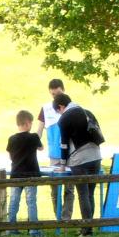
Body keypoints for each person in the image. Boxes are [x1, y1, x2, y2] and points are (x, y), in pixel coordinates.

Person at [52, 92, 103, 236]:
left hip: (80, 160)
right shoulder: (87, 112)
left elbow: (64, 145)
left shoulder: (64, 119)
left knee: (83, 194)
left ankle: (86, 231)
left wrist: (62, 164)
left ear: (61, 107)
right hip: (96, 156)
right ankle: (89, 227)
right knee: (90, 194)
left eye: (58, 111)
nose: (59, 114)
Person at [6, 110, 43, 236]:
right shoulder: (33, 137)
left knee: (14, 201)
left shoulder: (12, 139)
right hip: (31, 174)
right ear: (27, 123)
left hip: (16, 173)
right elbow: (41, 148)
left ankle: (11, 228)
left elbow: (10, 157)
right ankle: (34, 229)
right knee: (31, 201)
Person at [38, 78, 69, 219]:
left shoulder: (71, 106)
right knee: (54, 188)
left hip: (70, 154)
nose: (56, 97)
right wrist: (34, 143)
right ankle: (58, 218)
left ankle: (66, 219)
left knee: (69, 188)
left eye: (58, 93)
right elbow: (39, 129)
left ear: (63, 90)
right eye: (53, 95)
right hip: (54, 155)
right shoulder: (45, 108)